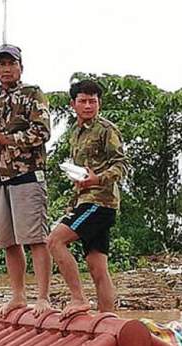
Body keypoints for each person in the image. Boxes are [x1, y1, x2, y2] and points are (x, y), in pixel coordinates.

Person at [0, 44, 53, 317]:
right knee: (8, 242)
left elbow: (42, 133)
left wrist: (4, 138)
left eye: (11, 63)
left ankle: (43, 297)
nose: (6, 69)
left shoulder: (33, 95)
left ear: (21, 66)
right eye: (1, 64)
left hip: (27, 175)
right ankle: (18, 296)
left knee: (35, 239)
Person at [46, 79, 128, 318]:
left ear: (99, 103)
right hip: (85, 201)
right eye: (83, 101)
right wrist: (76, 193)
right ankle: (107, 319)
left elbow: (121, 164)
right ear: (73, 104)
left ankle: (79, 298)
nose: (89, 105)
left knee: (55, 241)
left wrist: (97, 179)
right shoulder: (75, 133)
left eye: (93, 101)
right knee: (97, 267)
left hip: (100, 202)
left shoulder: (106, 129)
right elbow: (81, 173)